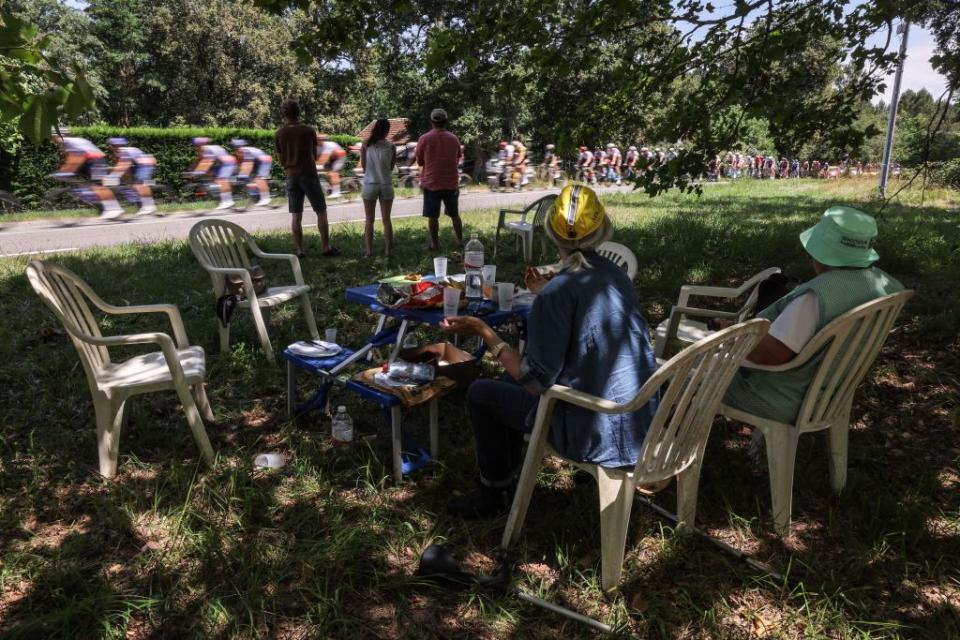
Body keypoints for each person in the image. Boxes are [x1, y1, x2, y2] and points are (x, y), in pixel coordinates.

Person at [440, 184, 659, 518]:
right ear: (602, 230)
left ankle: (493, 492)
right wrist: (548, 292)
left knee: (482, 392)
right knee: (506, 386)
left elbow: (535, 380)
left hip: (596, 428)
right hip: (641, 415)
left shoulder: (558, 292)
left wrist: (484, 332)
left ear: (550, 233)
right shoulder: (615, 274)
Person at [723, 206, 904, 425]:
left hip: (780, 399)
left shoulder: (815, 297)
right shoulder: (887, 287)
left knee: (682, 377)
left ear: (819, 255)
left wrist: (729, 337)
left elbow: (769, 355)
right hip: (829, 396)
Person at [274, 99, 338, 258]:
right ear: (299, 113)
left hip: (291, 176)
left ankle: (300, 251)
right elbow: (315, 155)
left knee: (296, 215)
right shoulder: (308, 130)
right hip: (308, 174)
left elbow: (281, 160)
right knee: (321, 212)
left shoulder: (279, 134)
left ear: (284, 115)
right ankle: (325, 247)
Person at [416, 108, 464, 251]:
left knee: (433, 216)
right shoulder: (454, 139)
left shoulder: (424, 139)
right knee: (454, 214)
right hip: (451, 182)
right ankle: (460, 240)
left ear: (431, 121)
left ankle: (435, 244)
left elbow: (419, 161)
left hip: (432, 183)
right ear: (446, 121)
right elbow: (457, 159)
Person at [50, 133, 123, 218]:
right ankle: (99, 203)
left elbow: (76, 158)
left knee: (97, 185)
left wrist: (65, 172)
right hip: (86, 160)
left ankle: (114, 208)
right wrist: (64, 171)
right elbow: (71, 160)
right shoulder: (65, 143)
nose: (53, 140)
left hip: (95, 158)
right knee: (83, 183)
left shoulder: (69, 142)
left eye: (54, 137)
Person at [360, 118, 396, 257]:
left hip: (370, 184)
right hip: (386, 184)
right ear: (387, 131)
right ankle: (388, 251)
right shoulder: (391, 146)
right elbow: (392, 167)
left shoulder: (365, 144)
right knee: (386, 219)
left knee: (369, 220)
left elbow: (363, 166)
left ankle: (369, 251)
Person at [105, 137, 156, 216]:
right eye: (113, 145)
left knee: (139, 184)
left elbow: (125, 165)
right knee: (131, 184)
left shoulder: (125, 151)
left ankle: (149, 206)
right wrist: (128, 181)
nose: (115, 147)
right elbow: (124, 169)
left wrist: (112, 176)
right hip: (137, 165)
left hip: (146, 164)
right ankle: (142, 203)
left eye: (117, 145)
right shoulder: (116, 154)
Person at [187, 137, 237, 210]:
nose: (195, 148)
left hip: (228, 163)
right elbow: (198, 161)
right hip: (220, 164)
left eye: (195, 146)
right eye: (194, 146)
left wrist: (197, 173)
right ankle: (221, 196)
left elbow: (206, 163)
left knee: (221, 179)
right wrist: (190, 170)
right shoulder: (203, 150)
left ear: (200, 145)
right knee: (211, 176)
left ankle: (228, 201)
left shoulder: (207, 149)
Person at [231, 139, 273, 206]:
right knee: (250, 179)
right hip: (257, 162)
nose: (236, 149)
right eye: (235, 147)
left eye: (237, 147)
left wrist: (243, 174)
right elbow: (240, 165)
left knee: (259, 179)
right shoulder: (239, 153)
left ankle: (266, 198)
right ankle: (256, 196)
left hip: (264, 161)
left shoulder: (246, 151)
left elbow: (248, 164)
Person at [317, 134, 347, 198]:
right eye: (318, 140)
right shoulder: (316, 146)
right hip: (331, 158)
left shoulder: (328, 145)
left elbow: (323, 159)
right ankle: (331, 187)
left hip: (340, 157)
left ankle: (336, 192)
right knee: (324, 171)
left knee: (333, 172)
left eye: (322, 140)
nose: (320, 141)